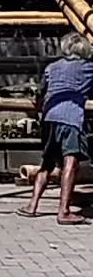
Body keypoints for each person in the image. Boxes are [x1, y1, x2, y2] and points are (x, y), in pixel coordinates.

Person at [18, 31, 93, 225]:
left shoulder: (52, 67)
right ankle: (64, 211)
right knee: (71, 163)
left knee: (47, 163)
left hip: (49, 116)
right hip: (71, 117)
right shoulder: (88, 68)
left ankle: (32, 206)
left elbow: (40, 93)